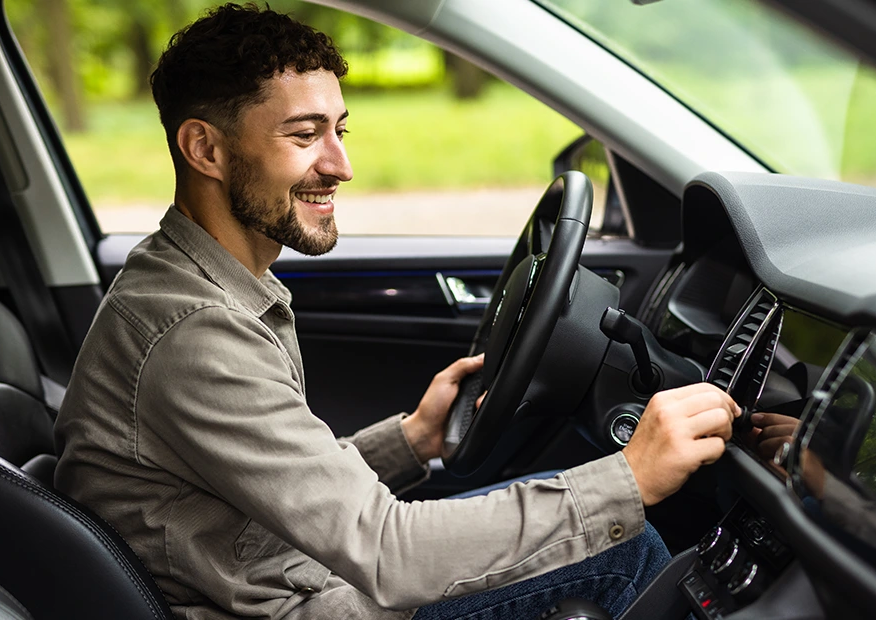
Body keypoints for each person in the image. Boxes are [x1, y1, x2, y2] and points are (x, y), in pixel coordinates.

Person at [53, 4, 740, 619]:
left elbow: (273, 494)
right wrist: (630, 476)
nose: (342, 165)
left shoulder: (199, 284)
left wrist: (411, 439)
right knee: (626, 546)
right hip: (303, 604)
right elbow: (388, 553)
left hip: (306, 574)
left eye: (340, 129)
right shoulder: (193, 335)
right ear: (205, 148)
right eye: (304, 135)